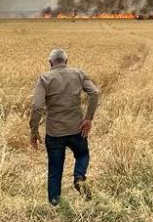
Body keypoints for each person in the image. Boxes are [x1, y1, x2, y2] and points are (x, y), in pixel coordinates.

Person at [29, 48, 100, 205]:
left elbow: (37, 106)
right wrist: (88, 119)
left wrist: (34, 131)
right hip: (77, 129)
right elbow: (94, 93)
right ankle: (79, 177)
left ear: (50, 63)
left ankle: (55, 202)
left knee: (55, 168)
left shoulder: (44, 78)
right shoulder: (78, 74)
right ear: (66, 61)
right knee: (82, 155)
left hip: (54, 133)